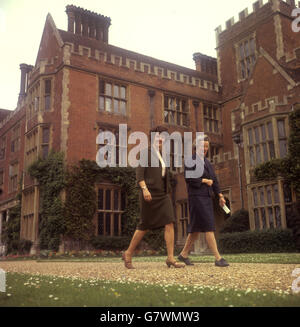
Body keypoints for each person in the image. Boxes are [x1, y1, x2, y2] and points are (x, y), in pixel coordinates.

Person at [122, 126, 185, 269]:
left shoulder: (163, 155)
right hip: (148, 194)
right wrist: (145, 189)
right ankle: (128, 252)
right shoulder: (146, 153)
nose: (161, 139)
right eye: (158, 136)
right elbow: (139, 174)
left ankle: (170, 258)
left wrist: (167, 190)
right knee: (144, 225)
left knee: (170, 222)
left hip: (162, 195)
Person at [177, 135, 229, 267]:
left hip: (206, 197)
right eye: (203, 146)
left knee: (195, 229)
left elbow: (215, 180)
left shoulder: (207, 162)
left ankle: (183, 255)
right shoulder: (190, 160)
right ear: (196, 147)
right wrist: (204, 181)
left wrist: (220, 195)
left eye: (207, 146)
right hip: (196, 197)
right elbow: (189, 178)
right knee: (209, 226)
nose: (205, 148)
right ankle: (218, 258)